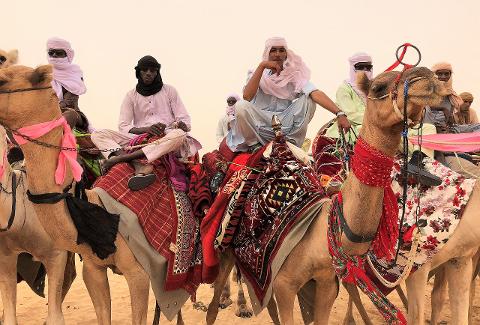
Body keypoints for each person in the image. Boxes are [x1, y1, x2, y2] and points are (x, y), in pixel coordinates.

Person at [91, 55, 201, 190]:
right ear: (139, 72)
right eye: (145, 70)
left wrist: (182, 125)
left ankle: (120, 159)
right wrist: (146, 129)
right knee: (98, 134)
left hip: (168, 137)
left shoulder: (169, 91)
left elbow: (184, 120)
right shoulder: (131, 96)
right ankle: (135, 162)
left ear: (157, 72)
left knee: (179, 134)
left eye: (153, 70)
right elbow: (123, 126)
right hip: (140, 138)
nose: (149, 73)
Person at [225, 37, 351, 153]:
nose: (277, 54)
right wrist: (262, 66)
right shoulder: (257, 73)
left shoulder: (294, 74)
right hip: (259, 123)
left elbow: (315, 92)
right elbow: (247, 96)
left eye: (281, 50)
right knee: (240, 106)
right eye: (273, 50)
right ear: (267, 53)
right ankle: (254, 144)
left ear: (286, 53)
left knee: (309, 100)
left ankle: (291, 143)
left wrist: (339, 113)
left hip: (283, 124)